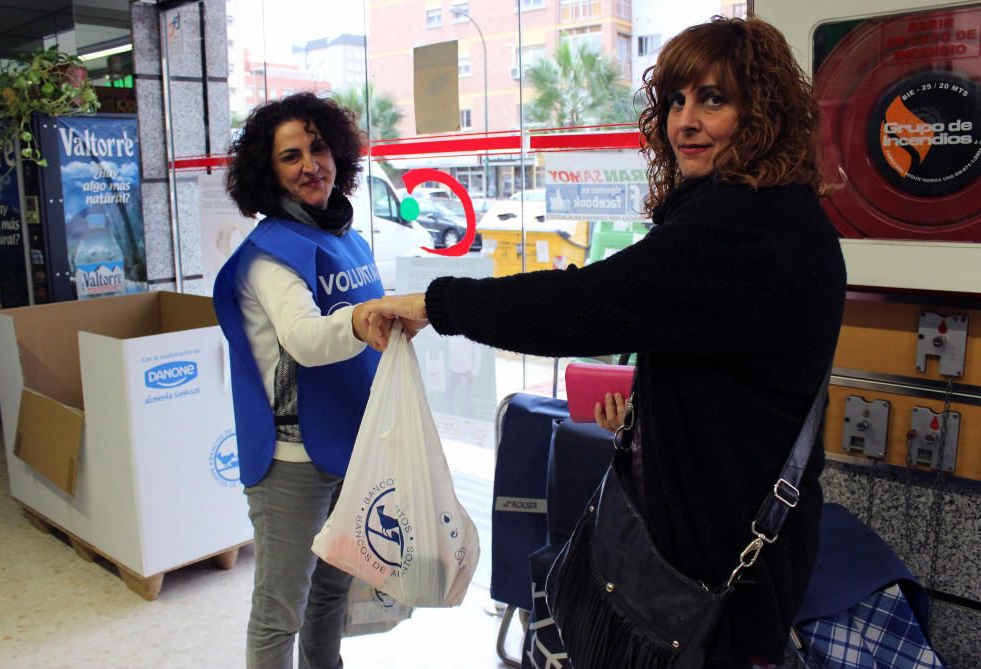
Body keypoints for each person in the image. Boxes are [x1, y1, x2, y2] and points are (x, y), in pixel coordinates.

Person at [357, 16, 846, 669]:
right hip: (725, 555)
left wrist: (431, 303)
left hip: (714, 577)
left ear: (763, 114)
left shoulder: (744, 228)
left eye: (714, 99)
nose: (685, 122)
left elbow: (582, 305)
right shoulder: (777, 215)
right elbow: (725, 373)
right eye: (676, 100)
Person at [212, 92, 380, 669]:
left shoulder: (344, 236)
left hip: (349, 446)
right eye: (291, 157)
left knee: (331, 591)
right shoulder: (269, 255)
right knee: (280, 606)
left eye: (318, 147)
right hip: (294, 457)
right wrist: (366, 319)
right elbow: (307, 340)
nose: (311, 165)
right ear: (269, 172)